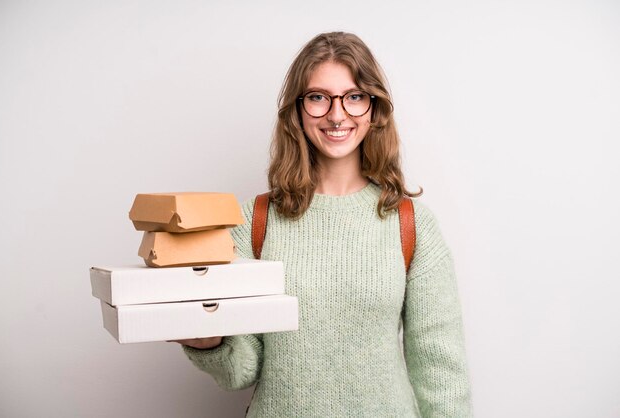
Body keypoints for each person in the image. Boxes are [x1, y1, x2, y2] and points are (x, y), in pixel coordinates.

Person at [175, 31, 473, 417]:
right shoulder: (255, 221)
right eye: (318, 97)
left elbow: (441, 371)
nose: (336, 115)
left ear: (373, 108)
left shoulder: (411, 224)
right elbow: (242, 370)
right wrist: (209, 343)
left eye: (353, 97)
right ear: (297, 110)